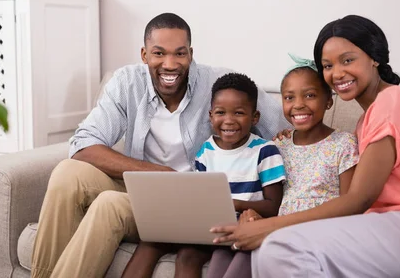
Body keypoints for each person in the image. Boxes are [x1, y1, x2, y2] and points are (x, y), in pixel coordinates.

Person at [211, 15, 400, 277]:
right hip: (387, 223)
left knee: (278, 248)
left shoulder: (393, 102)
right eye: (327, 66)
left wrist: (269, 227)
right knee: (270, 249)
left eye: (347, 60)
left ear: (374, 57)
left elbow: (357, 199)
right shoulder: (367, 119)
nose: (337, 73)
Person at [30, 13, 289, 278]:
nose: (170, 64)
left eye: (179, 53)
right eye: (159, 53)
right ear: (144, 55)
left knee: (108, 204)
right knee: (66, 171)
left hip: (189, 203)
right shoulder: (127, 83)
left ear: (191, 53)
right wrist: (157, 173)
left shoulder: (220, 86)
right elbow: (83, 144)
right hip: (142, 189)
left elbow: (287, 132)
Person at [207, 54, 358, 278]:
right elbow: (270, 197)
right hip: (273, 229)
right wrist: (253, 216)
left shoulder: (343, 144)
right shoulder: (278, 144)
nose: (298, 104)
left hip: (314, 234)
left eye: (309, 95)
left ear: (328, 100)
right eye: (289, 97)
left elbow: (350, 205)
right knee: (221, 254)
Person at [122, 72, 286, 278]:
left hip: (243, 229)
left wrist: (235, 204)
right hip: (209, 229)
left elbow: (274, 206)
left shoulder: (265, 151)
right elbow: (199, 200)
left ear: (255, 117)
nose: (228, 120)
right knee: (161, 245)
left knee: (188, 254)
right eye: (220, 112)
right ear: (211, 116)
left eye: (238, 113)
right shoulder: (206, 151)